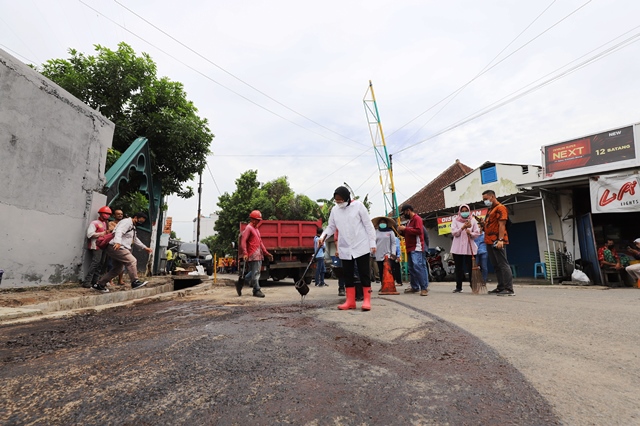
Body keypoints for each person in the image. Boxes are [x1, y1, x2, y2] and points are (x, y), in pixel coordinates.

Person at [318, 186, 376, 311]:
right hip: (345, 247)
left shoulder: (359, 206)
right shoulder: (335, 210)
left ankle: (366, 300)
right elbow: (331, 227)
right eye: (336, 200)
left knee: (364, 273)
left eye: (340, 200)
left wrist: (372, 243)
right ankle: (350, 301)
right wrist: (322, 237)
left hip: (361, 245)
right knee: (347, 274)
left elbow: (368, 225)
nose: (338, 202)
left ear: (347, 198)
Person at [93, 212, 153, 292]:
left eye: (142, 222)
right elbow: (119, 231)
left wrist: (144, 248)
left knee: (118, 269)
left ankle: (100, 284)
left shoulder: (133, 226)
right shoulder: (127, 222)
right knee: (132, 261)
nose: (140, 223)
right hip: (117, 247)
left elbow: (135, 239)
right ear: (135, 217)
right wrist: (117, 242)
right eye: (140, 221)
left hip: (118, 247)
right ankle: (135, 282)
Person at [482, 190, 514, 296]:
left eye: (486, 199)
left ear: (492, 196)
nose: (485, 201)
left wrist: (500, 240)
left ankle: (509, 289)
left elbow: (502, 225)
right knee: (496, 265)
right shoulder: (490, 210)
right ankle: (501, 287)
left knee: (503, 264)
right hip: (489, 240)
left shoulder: (501, 208)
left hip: (497, 240)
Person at [239, 210, 273, 298]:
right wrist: (245, 253)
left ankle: (240, 282)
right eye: (257, 220)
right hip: (253, 254)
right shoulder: (248, 228)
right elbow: (243, 241)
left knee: (255, 272)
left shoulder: (256, 229)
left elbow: (260, 242)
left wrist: (266, 253)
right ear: (252, 219)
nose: (258, 221)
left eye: (259, 220)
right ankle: (256, 290)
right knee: (256, 273)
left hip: (259, 254)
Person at [398, 204, 430, 296]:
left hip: (417, 246)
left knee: (418, 266)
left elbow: (419, 231)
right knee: (411, 268)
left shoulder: (417, 219)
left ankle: (424, 288)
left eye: (404, 212)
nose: (404, 215)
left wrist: (406, 229)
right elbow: (409, 233)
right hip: (409, 247)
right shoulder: (409, 222)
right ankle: (414, 286)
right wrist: (402, 232)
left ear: (408, 210)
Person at [450, 204, 481, 293]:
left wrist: (470, 233)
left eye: (466, 211)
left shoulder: (473, 220)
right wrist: (462, 228)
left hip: (469, 247)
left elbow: (477, 233)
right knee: (459, 268)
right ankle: (458, 287)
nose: (464, 213)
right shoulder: (455, 220)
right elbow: (454, 233)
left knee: (471, 267)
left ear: (469, 211)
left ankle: (473, 286)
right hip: (458, 248)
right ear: (459, 212)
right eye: (462, 211)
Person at [82, 206, 112, 288]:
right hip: (96, 245)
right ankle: (87, 282)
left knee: (101, 264)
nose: (107, 215)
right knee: (95, 263)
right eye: (105, 213)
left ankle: (95, 281)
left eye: (109, 214)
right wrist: (101, 234)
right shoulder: (94, 223)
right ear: (100, 214)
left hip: (103, 245)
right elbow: (89, 234)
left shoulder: (106, 223)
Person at [374, 220, 396, 289]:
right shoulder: (376, 232)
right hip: (378, 254)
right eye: (381, 222)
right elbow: (373, 242)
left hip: (388, 254)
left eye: (384, 222)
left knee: (389, 269)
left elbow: (393, 243)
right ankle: (382, 285)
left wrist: (393, 253)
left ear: (386, 224)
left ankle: (391, 284)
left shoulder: (390, 232)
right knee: (380, 270)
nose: (382, 224)